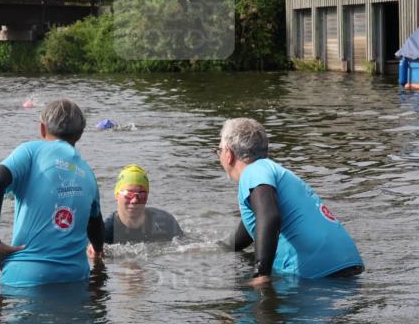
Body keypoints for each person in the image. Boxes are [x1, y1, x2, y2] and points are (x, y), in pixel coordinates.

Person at [216, 117, 363, 286]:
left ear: (228, 154)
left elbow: (269, 217)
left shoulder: (253, 172)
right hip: (348, 265)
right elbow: (242, 238)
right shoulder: (271, 173)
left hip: (318, 275)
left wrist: (260, 274)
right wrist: (204, 249)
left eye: (218, 150)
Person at [0, 99, 104, 286]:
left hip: (24, 278)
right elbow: (95, 226)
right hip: (74, 279)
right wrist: (97, 251)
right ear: (79, 135)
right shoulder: (88, 172)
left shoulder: (31, 151)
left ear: (42, 128)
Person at [103, 164, 183, 244]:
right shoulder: (105, 231)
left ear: (147, 196)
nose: (135, 200)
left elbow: (186, 246)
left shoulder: (165, 221)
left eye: (141, 194)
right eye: (128, 194)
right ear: (117, 195)